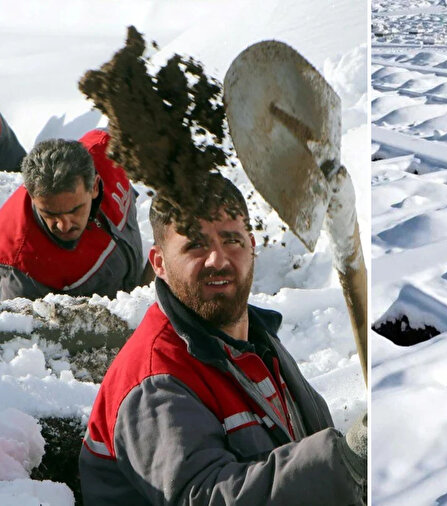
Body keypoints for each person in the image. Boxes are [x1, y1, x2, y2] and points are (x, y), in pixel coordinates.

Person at [79, 174, 367, 505]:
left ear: (252, 247)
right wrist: (343, 462)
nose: (218, 259)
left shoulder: (252, 341)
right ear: (159, 262)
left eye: (231, 240)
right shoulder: (158, 380)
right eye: (195, 245)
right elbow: (205, 497)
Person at [0, 129, 143, 300]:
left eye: (75, 210)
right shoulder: (21, 267)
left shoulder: (109, 153)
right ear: (31, 195)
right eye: (49, 213)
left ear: (95, 187)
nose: (63, 225)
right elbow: (26, 323)